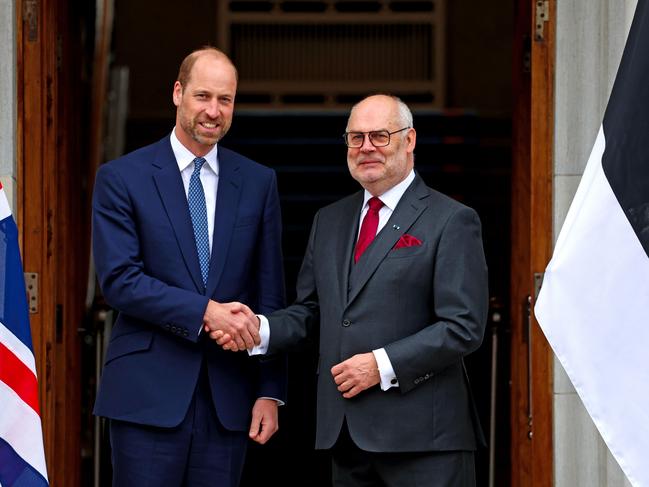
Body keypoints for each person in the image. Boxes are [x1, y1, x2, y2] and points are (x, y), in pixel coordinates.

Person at [213, 94, 489, 486]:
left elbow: (463, 327)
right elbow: (312, 312)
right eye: (356, 138)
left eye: (380, 136)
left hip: (425, 443)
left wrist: (380, 365)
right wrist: (259, 329)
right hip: (345, 438)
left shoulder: (452, 220)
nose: (367, 148)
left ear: (409, 140)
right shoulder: (330, 220)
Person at [91, 47, 286, 486]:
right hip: (146, 395)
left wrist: (270, 390)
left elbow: (270, 293)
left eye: (225, 100)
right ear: (178, 93)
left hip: (228, 399)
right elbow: (121, 281)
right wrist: (206, 312)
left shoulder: (258, 182)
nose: (213, 111)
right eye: (202, 96)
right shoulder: (122, 178)